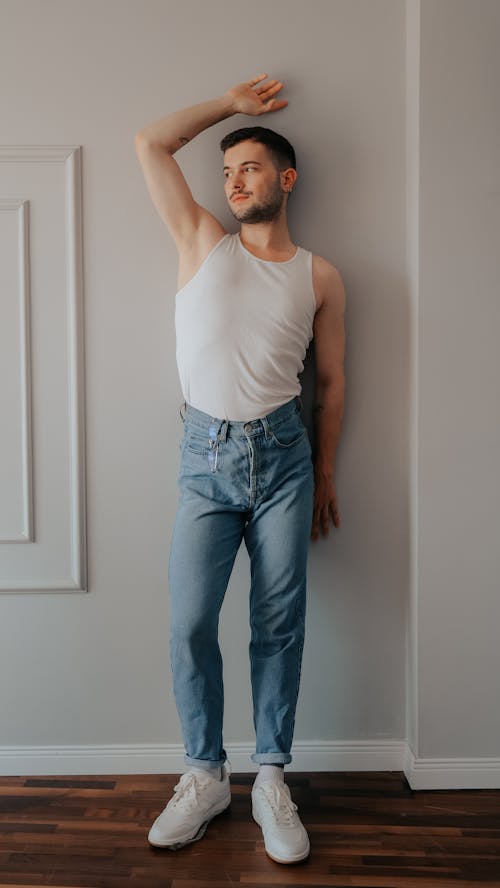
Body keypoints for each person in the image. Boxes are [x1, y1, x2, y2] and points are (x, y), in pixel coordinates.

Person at [134, 73, 345, 865]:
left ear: (285, 179)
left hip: (286, 460)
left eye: (249, 168)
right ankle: (204, 774)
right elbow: (148, 143)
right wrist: (230, 106)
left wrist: (325, 472)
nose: (234, 183)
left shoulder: (320, 276)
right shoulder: (199, 240)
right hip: (205, 457)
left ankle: (270, 777)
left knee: (277, 626)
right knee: (190, 623)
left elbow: (332, 386)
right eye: (227, 173)